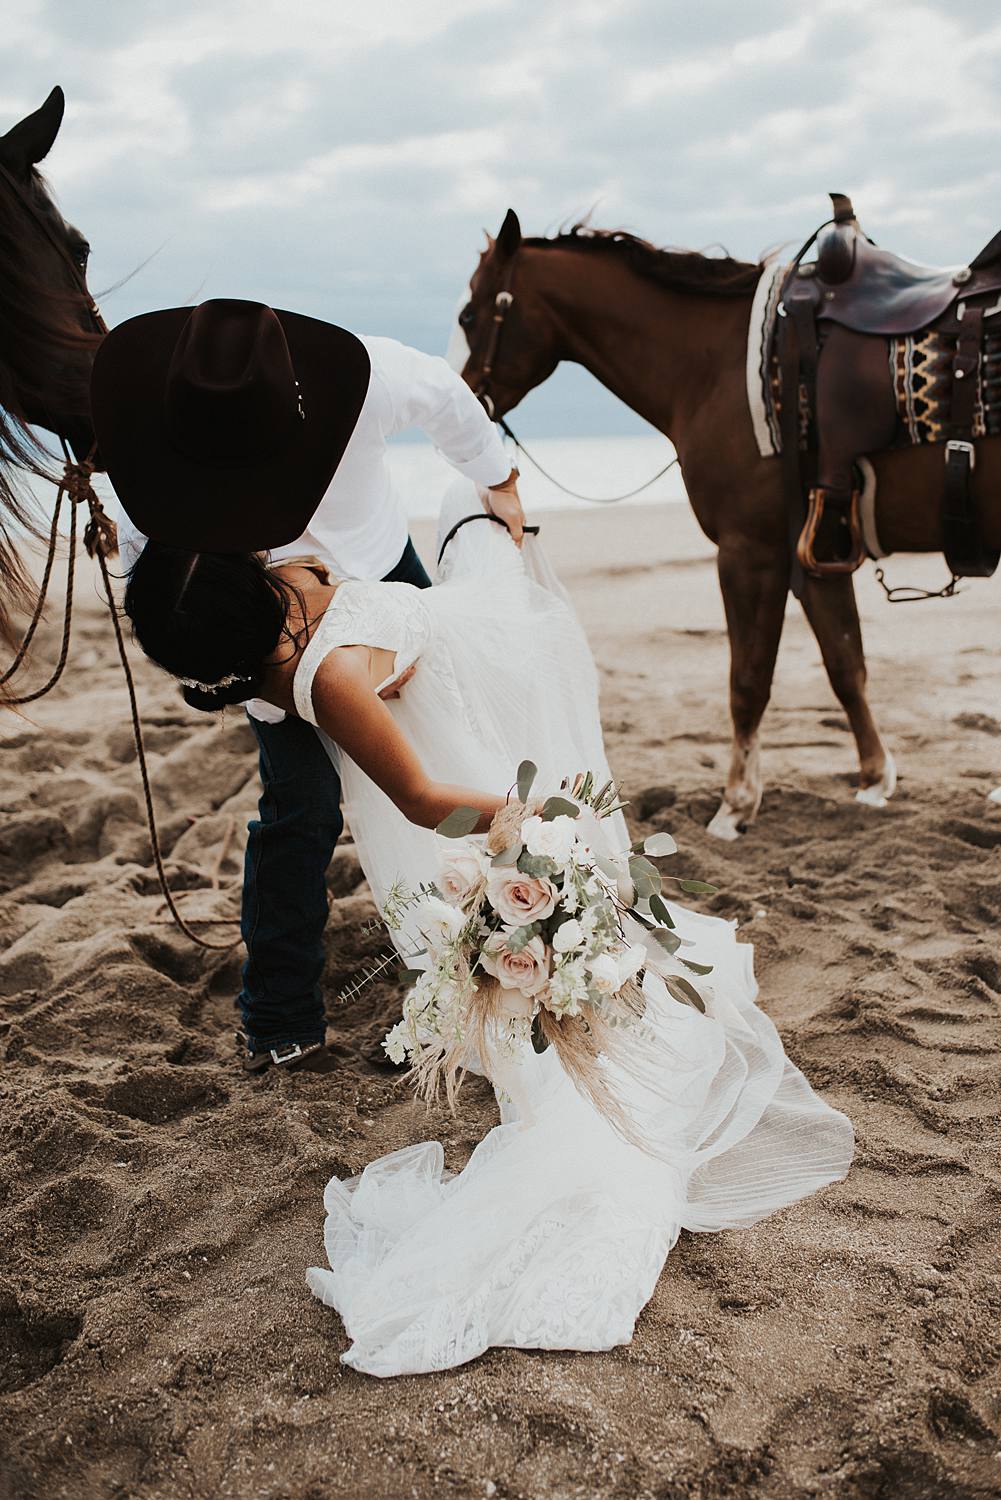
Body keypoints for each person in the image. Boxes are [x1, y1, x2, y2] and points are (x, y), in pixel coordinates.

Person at [97, 301, 854, 1377]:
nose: (295, 565)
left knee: (471, 519)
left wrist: (479, 488)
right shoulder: (313, 655)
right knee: (301, 818)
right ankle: (282, 1014)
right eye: (278, 573)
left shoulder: (363, 409)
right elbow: (415, 794)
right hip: (410, 692)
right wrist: (510, 823)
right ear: (265, 605)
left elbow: (397, 503)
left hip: (389, 648)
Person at [93, 298, 525, 1073]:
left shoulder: (366, 380)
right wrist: (530, 821)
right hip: (254, 632)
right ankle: (280, 1019)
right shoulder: (148, 458)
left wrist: (499, 476)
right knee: (302, 807)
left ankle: (486, 968)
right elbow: (160, 591)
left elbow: (446, 395)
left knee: (460, 746)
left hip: (378, 574)